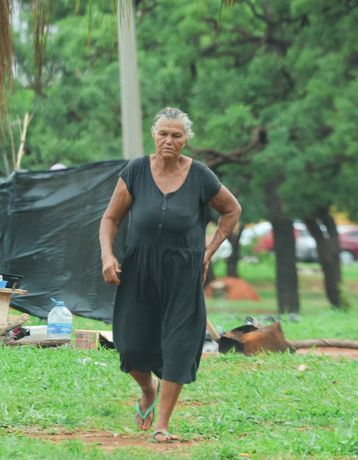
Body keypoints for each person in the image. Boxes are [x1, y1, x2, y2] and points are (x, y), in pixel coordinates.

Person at [99, 107, 241, 442]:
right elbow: (110, 219)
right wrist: (107, 255)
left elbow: (232, 209)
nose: (169, 140)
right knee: (130, 345)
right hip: (139, 270)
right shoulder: (135, 171)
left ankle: (162, 424)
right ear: (154, 134)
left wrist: (208, 252)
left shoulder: (201, 176)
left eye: (176, 135)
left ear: (186, 139)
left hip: (183, 273)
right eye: (163, 133)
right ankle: (148, 388)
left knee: (178, 347)